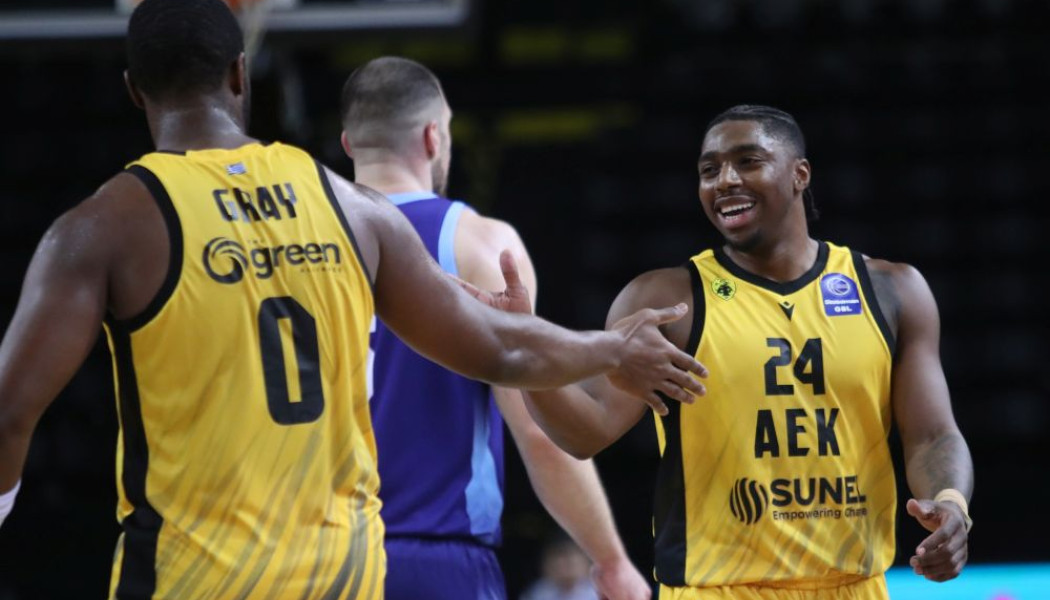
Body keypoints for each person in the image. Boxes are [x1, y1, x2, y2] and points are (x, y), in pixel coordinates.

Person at [0, 1, 707, 598]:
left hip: (199, 575)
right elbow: (504, 350)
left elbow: (8, 413)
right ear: (240, 73)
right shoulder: (351, 209)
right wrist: (611, 349)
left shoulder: (106, 225)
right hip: (349, 572)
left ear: (133, 90)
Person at [467, 105, 974, 599]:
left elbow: (932, 436)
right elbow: (585, 431)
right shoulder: (666, 300)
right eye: (709, 170)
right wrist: (520, 343)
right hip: (715, 588)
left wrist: (951, 504)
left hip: (854, 586)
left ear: (800, 174)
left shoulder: (890, 290)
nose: (724, 180)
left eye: (748, 161)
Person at [338, 56, 651, 600]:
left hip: (320, 557)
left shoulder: (298, 241)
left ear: (348, 144)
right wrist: (610, 560)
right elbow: (539, 429)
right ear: (433, 137)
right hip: (439, 559)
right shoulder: (478, 242)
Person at [520, 535, 600, 600]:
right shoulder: (537, 593)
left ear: (587, 561)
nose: (562, 565)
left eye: (570, 560)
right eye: (557, 556)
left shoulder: (600, 590)